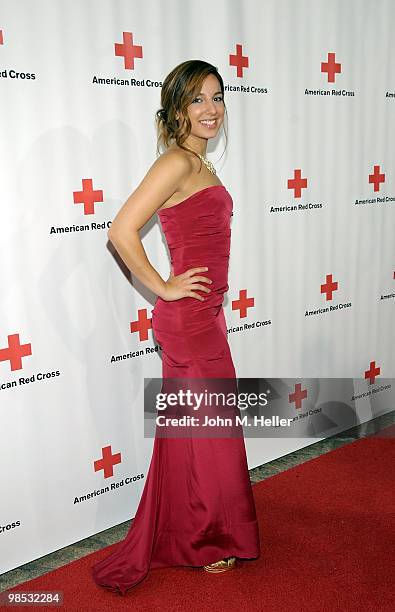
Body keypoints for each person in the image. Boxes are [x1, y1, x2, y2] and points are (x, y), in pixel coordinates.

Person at [91, 59, 260, 596]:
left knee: (198, 430)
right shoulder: (178, 163)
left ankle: (192, 529)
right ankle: (208, 538)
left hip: (204, 315)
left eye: (217, 97)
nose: (211, 110)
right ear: (177, 109)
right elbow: (120, 229)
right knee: (209, 431)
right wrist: (163, 287)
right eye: (197, 100)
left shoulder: (200, 165)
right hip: (188, 320)